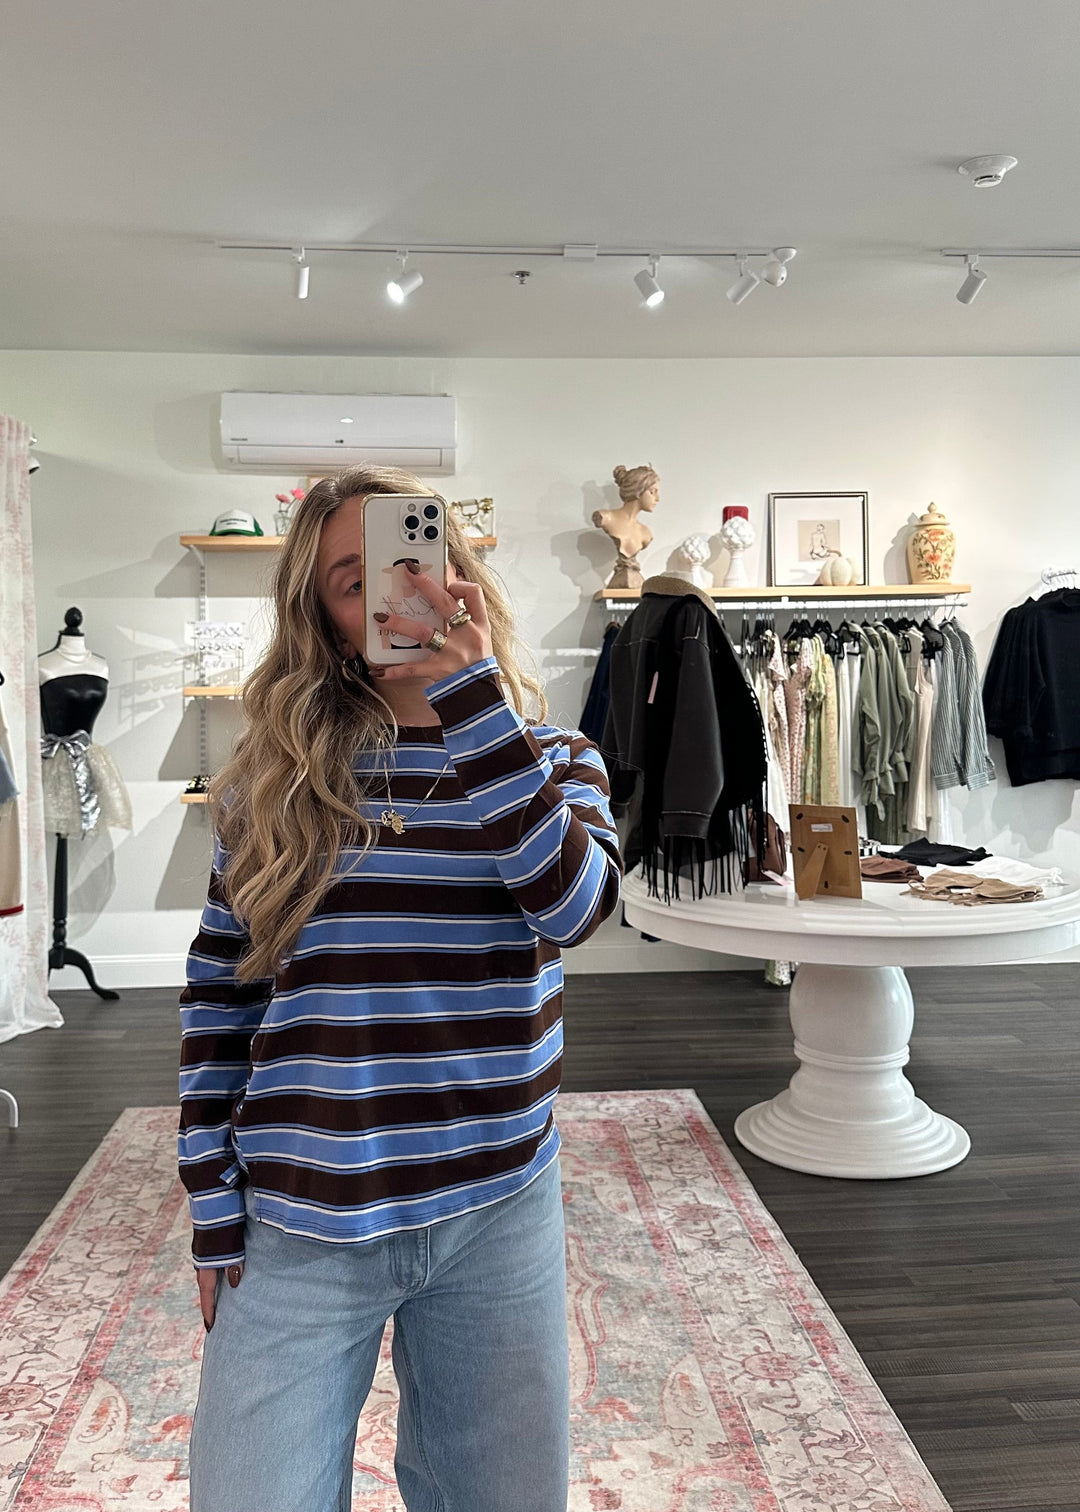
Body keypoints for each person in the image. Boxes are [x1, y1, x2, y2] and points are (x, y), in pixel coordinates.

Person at [179, 465, 622, 1512]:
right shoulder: (275, 783)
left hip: (496, 1209)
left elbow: (574, 911)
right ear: (327, 623)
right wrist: (210, 1195)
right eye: (354, 577)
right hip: (303, 1213)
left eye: (420, 557)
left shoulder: (555, 758)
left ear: (462, 578)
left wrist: (474, 707)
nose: (397, 590)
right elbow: (218, 997)